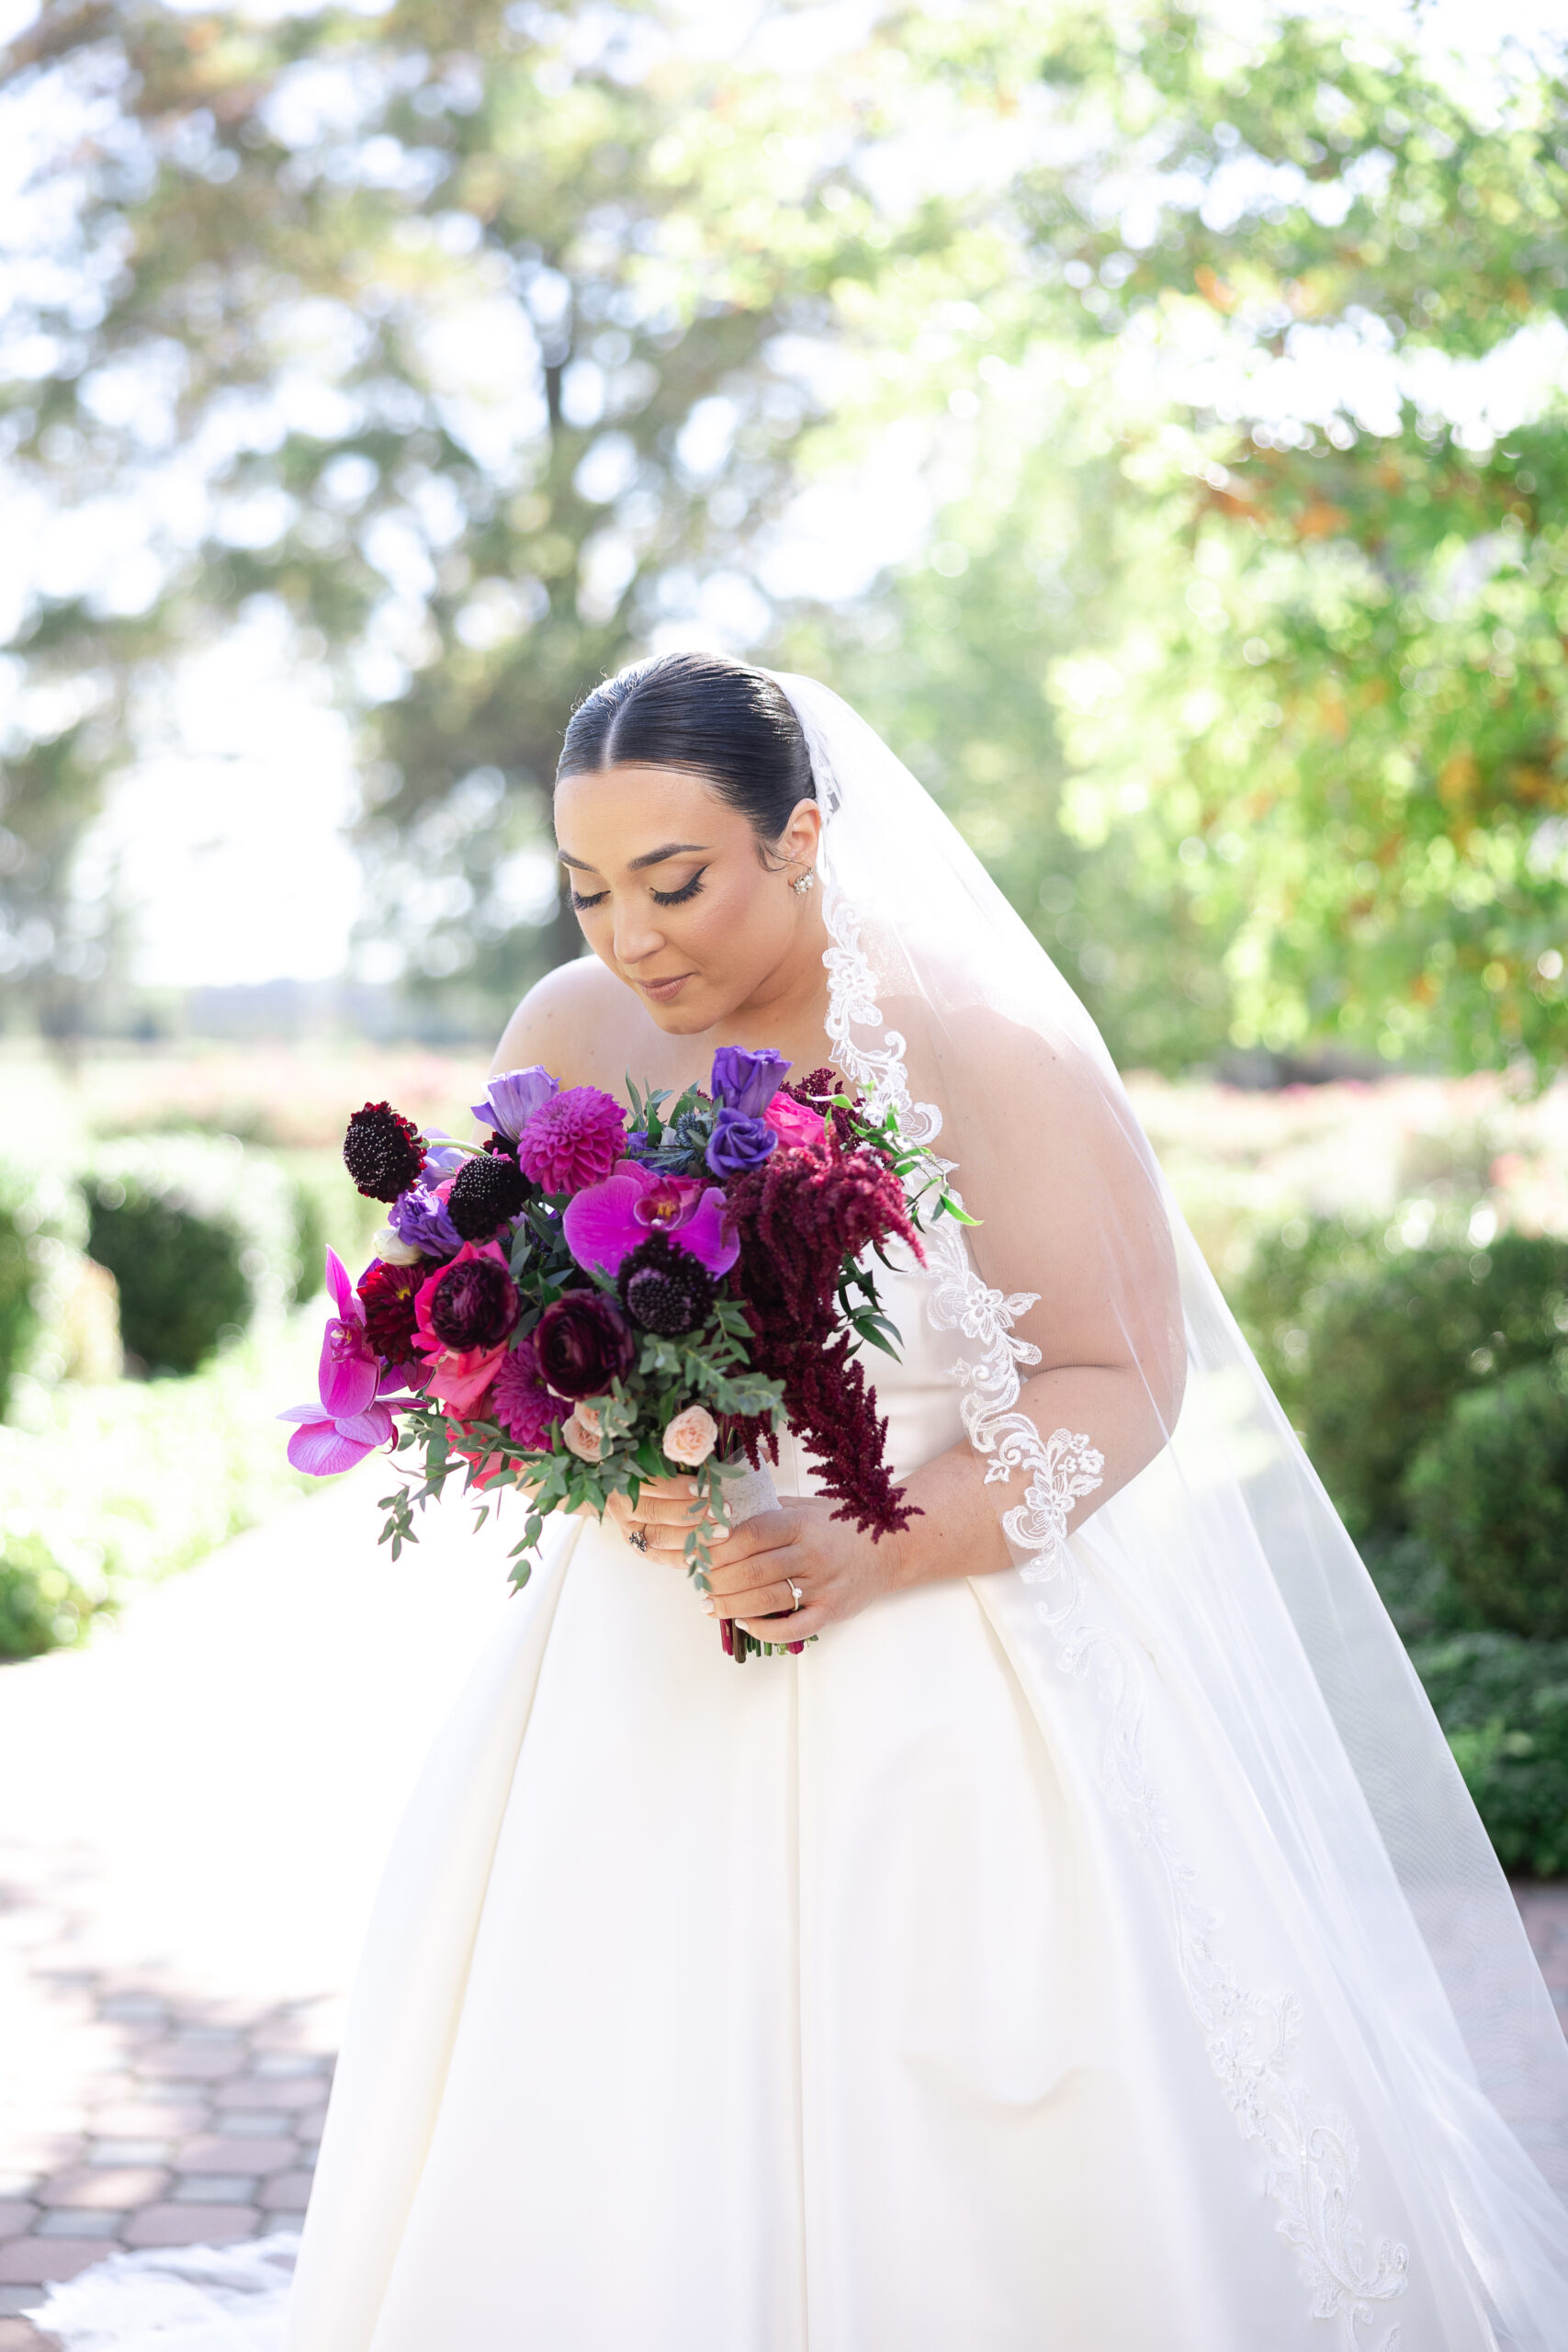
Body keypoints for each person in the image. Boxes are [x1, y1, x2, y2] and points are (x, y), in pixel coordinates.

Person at [38, 655, 1568, 2349]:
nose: (632, 936)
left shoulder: (981, 1043)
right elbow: (483, 1352)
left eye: (676, 881)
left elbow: (1121, 1379)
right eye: (589, 888)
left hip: (956, 1667)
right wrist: (628, 1496)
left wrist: (869, 1536)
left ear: (803, 838)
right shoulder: (568, 1036)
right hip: (638, 1677)